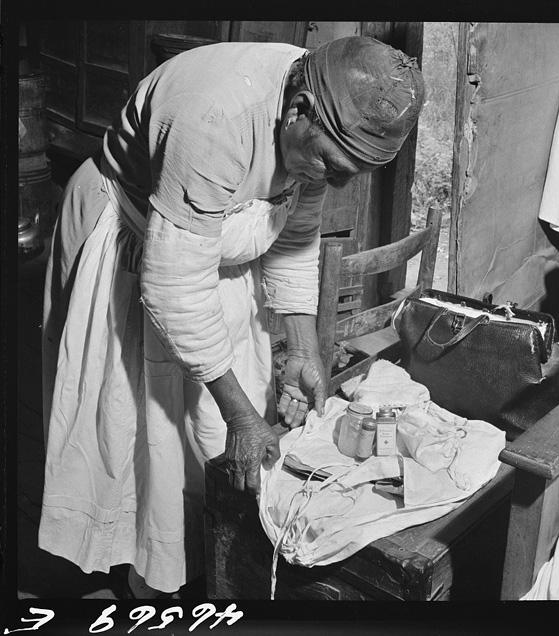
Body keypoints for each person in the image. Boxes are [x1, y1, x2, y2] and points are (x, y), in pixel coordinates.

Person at [39, 35, 425, 598]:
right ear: (299, 111)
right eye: (332, 165)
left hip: (211, 249)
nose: (335, 182)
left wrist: (303, 350)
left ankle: (191, 561)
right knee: (135, 425)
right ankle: (137, 578)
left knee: (209, 429)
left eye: (349, 174)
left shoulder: (322, 95)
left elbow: (294, 235)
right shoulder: (215, 116)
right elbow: (173, 286)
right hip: (133, 235)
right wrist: (247, 419)